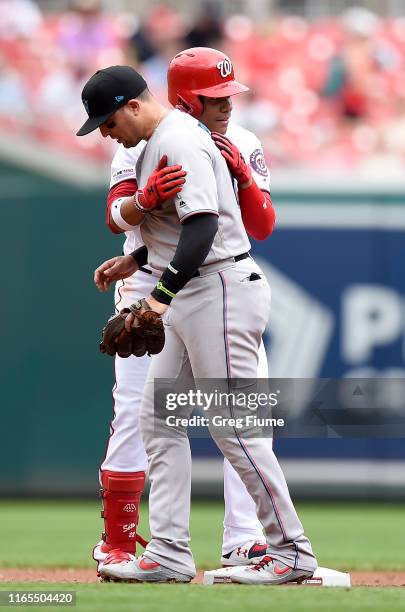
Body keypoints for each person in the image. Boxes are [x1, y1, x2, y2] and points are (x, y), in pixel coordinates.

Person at [77, 55, 317, 585]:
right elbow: (168, 223)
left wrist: (158, 297)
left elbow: (205, 226)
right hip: (193, 286)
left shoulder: (178, 139)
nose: (109, 135)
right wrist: (136, 261)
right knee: (157, 425)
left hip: (219, 288)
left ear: (133, 105)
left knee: (235, 428)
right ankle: (167, 553)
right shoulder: (161, 140)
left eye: (111, 122)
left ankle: (292, 552)